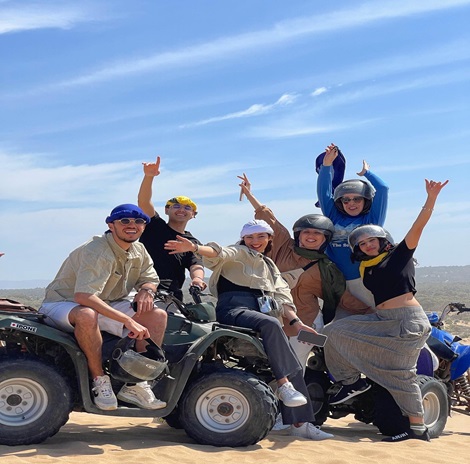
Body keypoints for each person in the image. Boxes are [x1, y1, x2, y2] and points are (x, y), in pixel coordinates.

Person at [164, 219, 334, 441]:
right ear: (243, 238)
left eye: (261, 236)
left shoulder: (270, 266)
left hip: (263, 315)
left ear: (269, 238)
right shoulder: (240, 252)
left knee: (286, 355)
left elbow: (282, 298)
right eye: (250, 237)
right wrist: (195, 247)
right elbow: (219, 252)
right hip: (234, 310)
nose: (255, 241)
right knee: (272, 326)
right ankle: (283, 385)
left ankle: (300, 424)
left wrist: (296, 323)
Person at [322, 179, 449, 442]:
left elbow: (418, 226)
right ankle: (352, 382)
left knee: (401, 376)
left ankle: (417, 429)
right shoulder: (366, 267)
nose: (368, 245)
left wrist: (431, 199)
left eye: (372, 240)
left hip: (407, 321)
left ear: (384, 241)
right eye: (362, 243)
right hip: (382, 319)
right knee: (333, 331)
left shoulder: (399, 256)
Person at [39, 204, 168, 411]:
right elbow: (84, 296)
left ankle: (136, 383)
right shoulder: (97, 249)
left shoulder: (139, 249)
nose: (132, 225)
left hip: (105, 303)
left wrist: (147, 291)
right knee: (87, 315)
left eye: (138, 221)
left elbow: (150, 278)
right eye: (124, 221)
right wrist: (127, 320)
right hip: (64, 302)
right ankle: (99, 380)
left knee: (157, 315)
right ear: (111, 225)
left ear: (144, 226)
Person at [238, 173, 370, 370]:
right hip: (273, 320)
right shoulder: (284, 246)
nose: (311, 236)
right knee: (263, 366)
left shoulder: (326, 268)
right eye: (306, 231)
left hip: (307, 325)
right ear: (299, 234)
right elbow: (267, 217)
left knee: (292, 368)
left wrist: (375, 312)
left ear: (325, 238)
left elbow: (342, 296)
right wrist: (249, 194)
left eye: (317, 233)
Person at [316, 143, 389, 308]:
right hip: (337, 281)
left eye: (357, 199)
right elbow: (323, 192)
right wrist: (326, 165)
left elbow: (383, 189)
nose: (351, 203)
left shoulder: (372, 220)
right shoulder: (332, 216)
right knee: (338, 321)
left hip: (365, 280)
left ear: (366, 200)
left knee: (375, 316)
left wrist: (367, 173)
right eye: (346, 200)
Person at [138, 156, 205, 301]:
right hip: (140, 288)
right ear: (166, 210)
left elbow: (196, 265)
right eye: (176, 206)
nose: (181, 210)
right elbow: (144, 202)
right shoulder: (155, 226)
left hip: (170, 296)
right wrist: (149, 177)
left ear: (193, 215)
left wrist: (197, 279)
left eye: (187, 208)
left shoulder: (192, 243)